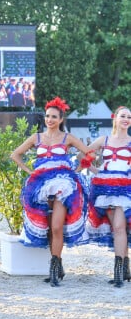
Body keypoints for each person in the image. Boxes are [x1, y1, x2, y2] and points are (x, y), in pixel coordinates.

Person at [11, 97, 93, 287]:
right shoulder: (36, 138)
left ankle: (54, 270)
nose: (50, 120)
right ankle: (58, 265)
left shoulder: (68, 138)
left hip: (63, 186)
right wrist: (29, 171)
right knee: (47, 227)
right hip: (39, 186)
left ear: (61, 119)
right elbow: (15, 154)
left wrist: (78, 170)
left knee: (57, 227)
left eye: (54, 117)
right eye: (47, 116)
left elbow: (89, 153)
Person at [84, 106, 131, 287]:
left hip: (125, 188)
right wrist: (96, 171)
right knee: (118, 229)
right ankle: (124, 268)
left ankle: (118, 273)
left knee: (119, 228)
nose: (126, 119)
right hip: (105, 188)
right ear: (115, 119)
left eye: (129, 117)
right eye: (123, 116)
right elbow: (84, 153)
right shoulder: (104, 139)